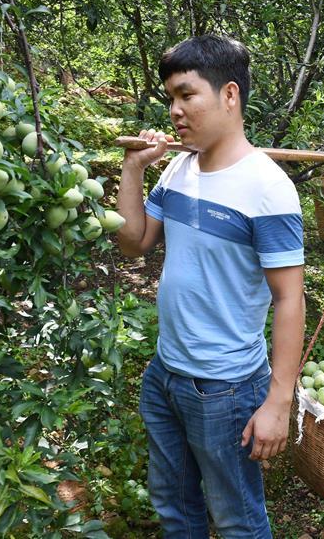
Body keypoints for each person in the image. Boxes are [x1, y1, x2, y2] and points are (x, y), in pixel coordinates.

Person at [115, 35, 306, 538]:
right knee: (175, 508)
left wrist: (277, 402)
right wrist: (133, 167)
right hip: (166, 373)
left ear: (229, 96)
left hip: (224, 387)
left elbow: (290, 298)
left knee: (237, 518)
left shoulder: (267, 188)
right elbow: (134, 243)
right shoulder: (179, 169)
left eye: (186, 95)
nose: (175, 111)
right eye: (170, 100)